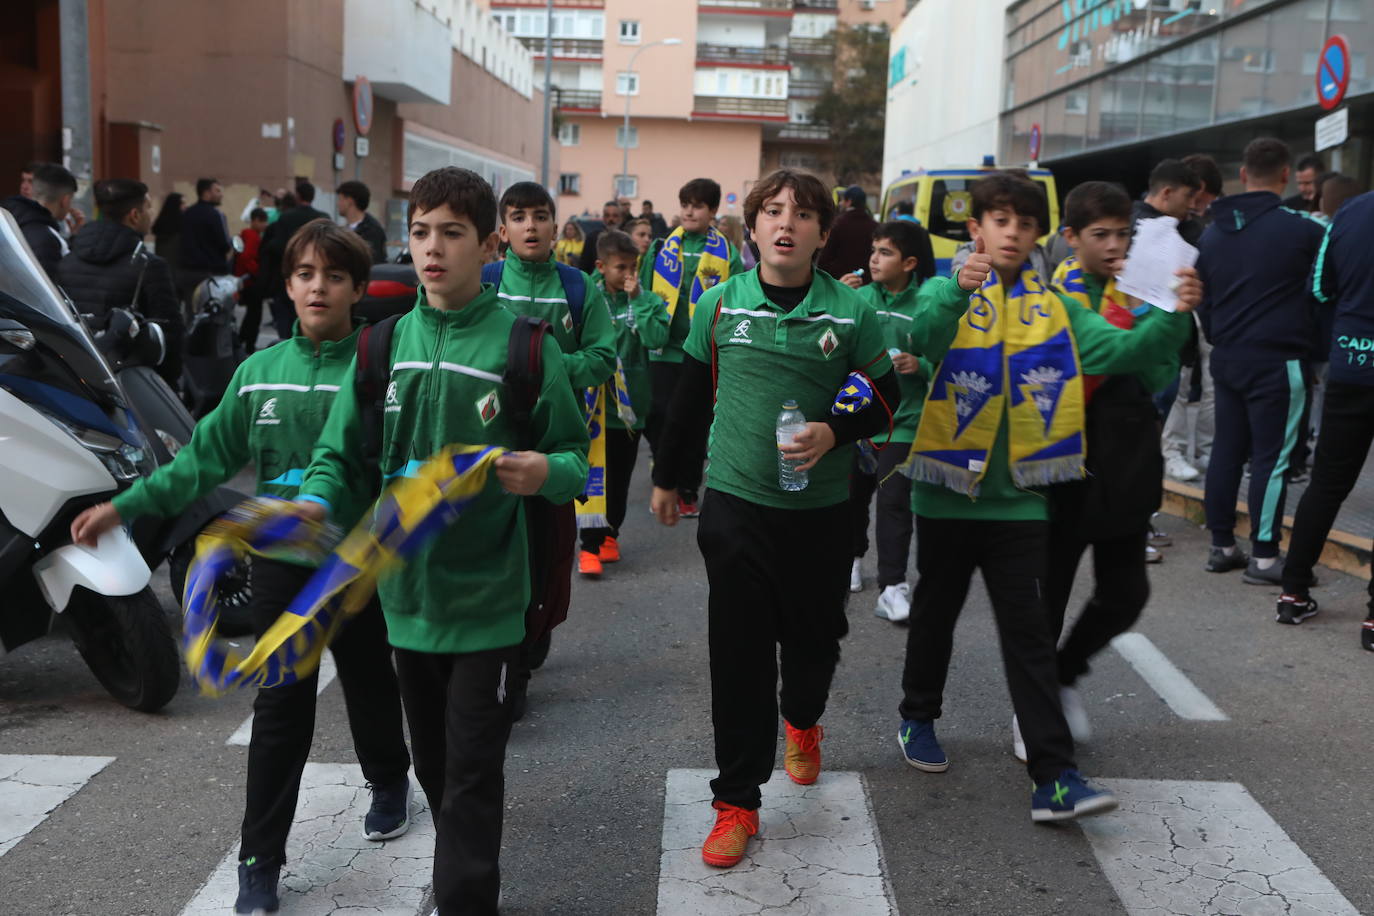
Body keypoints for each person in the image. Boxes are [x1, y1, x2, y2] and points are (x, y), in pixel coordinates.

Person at [69, 219, 414, 916]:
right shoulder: (258, 374)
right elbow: (200, 463)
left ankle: (387, 778)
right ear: (286, 287)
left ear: (355, 289)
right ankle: (260, 863)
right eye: (306, 274)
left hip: (364, 559)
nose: (320, 287)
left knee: (373, 679)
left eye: (335, 276)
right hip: (283, 561)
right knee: (281, 706)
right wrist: (125, 507)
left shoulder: (379, 366)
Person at [296, 166, 589, 915]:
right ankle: (460, 867)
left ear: (485, 245)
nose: (432, 249)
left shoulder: (526, 348)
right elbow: (338, 453)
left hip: (489, 601)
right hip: (405, 597)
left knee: (470, 772)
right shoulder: (380, 347)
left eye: (452, 234)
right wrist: (314, 500)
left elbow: (573, 458)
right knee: (434, 764)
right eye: (421, 232)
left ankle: (464, 901)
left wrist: (539, 470)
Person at [894, 171, 1198, 822]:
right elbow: (922, 340)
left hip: (1023, 499)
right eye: (1000, 221)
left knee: (1031, 638)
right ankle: (918, 714)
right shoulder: (941, 291)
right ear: (975, 228)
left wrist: (1174, 313)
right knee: (934, 620)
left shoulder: (1058, 308)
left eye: (1024, 224)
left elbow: (1123, 350)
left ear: (1037, 237)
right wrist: (954, 291)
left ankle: (1054, 776)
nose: (1012, 233)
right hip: (948, 493)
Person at [649, 168, 900, 868]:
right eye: (771, 211)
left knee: (815, 643)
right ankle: (736, 802)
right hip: (735, 507)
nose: (785, 223)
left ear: (824, 232)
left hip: (822, 513)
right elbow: (690, 398)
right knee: (739, 656)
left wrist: (834, 432)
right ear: (752, 226)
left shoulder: (852, 312)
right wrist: (669, 478)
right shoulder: (723, 305)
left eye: (801, 214)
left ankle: (805, 719)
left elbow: (886, 392)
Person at [1041, 181, 1183, 748]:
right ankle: (1037, 709)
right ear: (1071, 238)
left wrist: (1167, 313)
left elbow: (1158, 374)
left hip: (1125, 463)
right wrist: (1163, 318)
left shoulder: (1138, 290)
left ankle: (1063, 673)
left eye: (1123, 232)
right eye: (1100, 234)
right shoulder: (1061, 294)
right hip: (1064, 463)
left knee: (1127, 593)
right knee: (1047, 594)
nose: (1114, 244)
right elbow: (1110, 353)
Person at [1196, 138, 1325, 584]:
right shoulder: (1304, 230)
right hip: (1279, 360)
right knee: (1272, 459)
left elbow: (1204, 301)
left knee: (1225, 453)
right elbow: (1326, 289)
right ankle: (1265, 556)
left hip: (1227, 357)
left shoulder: (1211, 233)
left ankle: (1221, 546)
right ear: (1286, 175)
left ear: (1244, 174)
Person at [1277, 189, 1374, 643]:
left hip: (1352, 363)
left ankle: (1293, 593)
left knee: (1328, 482)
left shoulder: (1352, 210)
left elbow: (1318, 286)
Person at [839, 220, 937, 621]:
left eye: (885, 253)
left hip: (905, 421)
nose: (874, 259)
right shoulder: (858, 298)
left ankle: (893, 586)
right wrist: (837, 298)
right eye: (873, 250)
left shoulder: (927, 306)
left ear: (910, 263)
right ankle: (851, 558)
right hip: (858, 420)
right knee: (851, 497)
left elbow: (947, 357)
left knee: (895, 502)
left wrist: (922, 364)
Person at [643, 178, 746, 518]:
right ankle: (665, 472)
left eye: (698, 205)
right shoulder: (661, 248)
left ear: (713, 211)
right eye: (685, 203)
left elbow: (732, 300)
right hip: (662, 346)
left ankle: (687, 489)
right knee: (658, 416)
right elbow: (646, 292)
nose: (689, 210)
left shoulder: (726, 252)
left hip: (700, 350)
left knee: (694, 421)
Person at [578, 229, 669, 577]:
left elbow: (656, 338)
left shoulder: (646, 300)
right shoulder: (585, 296)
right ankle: (588, 544)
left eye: (634, 267)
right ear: (601, 266)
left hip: (631, 412)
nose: (630, 274)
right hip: (593, 409)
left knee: (619, 481)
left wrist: (640, 303)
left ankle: (610, 535)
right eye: (621, 268)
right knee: (592, 478)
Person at [55, 178, 185, 387]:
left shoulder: (68, 257)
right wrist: (169, 383)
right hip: (129, 383)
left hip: (77, 374)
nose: (151, 214)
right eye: (148, 208)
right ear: (134, 215)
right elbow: (169, 333)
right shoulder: (148, 265)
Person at [260, 182, 330, 338]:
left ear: (298, 196)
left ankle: (288, 344)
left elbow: (277, 247)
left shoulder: (286, 217)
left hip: (288, 275)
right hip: (318, 274)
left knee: (285, 316)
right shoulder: (323, 218)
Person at [2, 162, 77, 280]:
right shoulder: (44, 237)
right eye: (24, 180)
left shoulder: (8, 220)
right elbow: (50, 288)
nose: (24, 186)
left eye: (30, 181)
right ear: (65, 200)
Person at [177, 177, 233, 303]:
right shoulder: (216, 215)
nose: (221, 194)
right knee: (212, 312)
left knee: (192, 313)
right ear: (206, 193)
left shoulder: (187, 213)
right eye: (217, 191)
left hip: (187, 272)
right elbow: (224, 243)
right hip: (210, 272)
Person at [817, 185, 877, 281]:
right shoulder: (875, 226)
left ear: (849, 202)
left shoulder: (836, 224)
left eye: (842, 200)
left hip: (839, 283)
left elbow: (824, 260)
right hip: (867, 285)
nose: (840, 203)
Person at [235, 207, 269, 352]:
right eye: (262, 222)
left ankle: (242, 340)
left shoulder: (246, 234)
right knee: (255, 314)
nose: (264, 225)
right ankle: (248, 343)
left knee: (252, 313)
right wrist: (257, 272)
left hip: (244, 280)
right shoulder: (253, 236)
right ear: (254, 221)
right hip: (250, 281)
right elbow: (246, 257)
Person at [338, 179, 388, 264]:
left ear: (350, 201)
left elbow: (373, 262)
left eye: (340, 199)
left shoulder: (372, 230)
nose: (338, 203)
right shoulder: (343, 230)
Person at [577, 198, 626, 274]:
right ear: (603, 217)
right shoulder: (592, 238)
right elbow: (584, 267)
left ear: (621, 218)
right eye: (607, 215)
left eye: (615, 216)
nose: (611, 219)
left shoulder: (626, 239)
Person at [152, 191, 185, 268]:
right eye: (182, 203)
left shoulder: (162, 223)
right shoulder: (180, 223)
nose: (185, 206)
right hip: (173, 265)